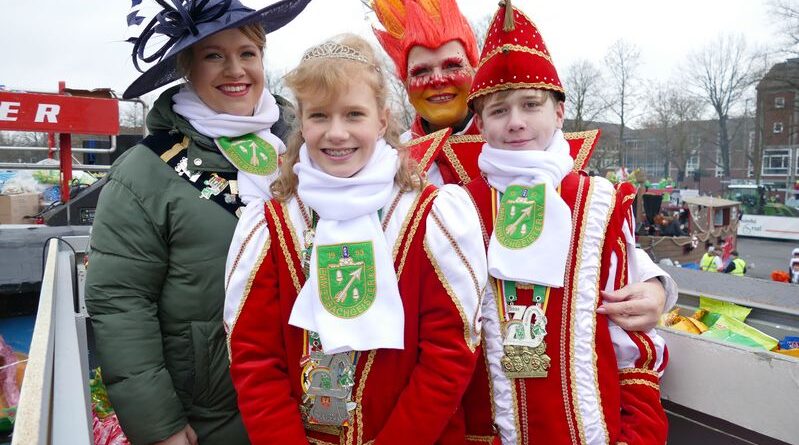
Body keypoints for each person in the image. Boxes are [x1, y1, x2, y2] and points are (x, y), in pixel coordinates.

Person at [223, 34, 486, 444]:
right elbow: (255, 359)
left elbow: (449, 354)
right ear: (302, 122)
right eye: (320, 116)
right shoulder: (270, 224)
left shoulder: (433, 215)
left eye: (354, 115)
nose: (337, 133)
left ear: (382, 121)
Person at [371, 0, 676, 333]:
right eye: (420, 71)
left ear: (476, 71)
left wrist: (656, 284)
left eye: (452, 65)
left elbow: (593, 231)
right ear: (403, 82)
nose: (438, 80)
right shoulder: (386, 165)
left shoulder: (530, 145)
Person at [84, 1, 311, 444]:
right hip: (215, 416)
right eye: (213, 56)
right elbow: (121, 303)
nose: (235, 69)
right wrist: (159, 426)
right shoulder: (143, 173)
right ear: (187, 68)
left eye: (247, 53)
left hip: (308, 400)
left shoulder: (304, 150)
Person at [457, 3, 667, 444]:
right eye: (498, 111)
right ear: (479, 123)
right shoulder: (456, 206)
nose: (516, 122)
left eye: (530, 105)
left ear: (559, 112)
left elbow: (630, 340)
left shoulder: (600, 203)